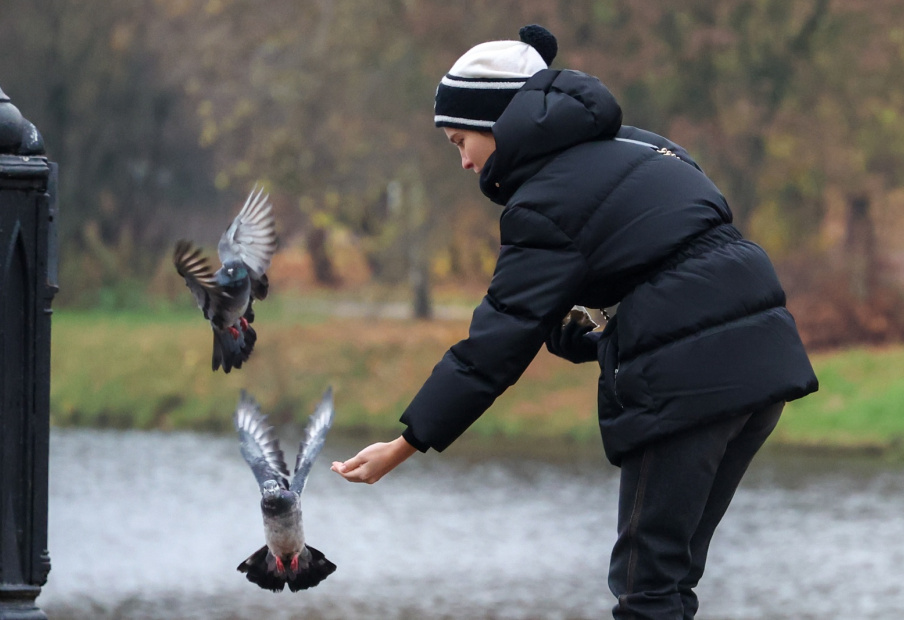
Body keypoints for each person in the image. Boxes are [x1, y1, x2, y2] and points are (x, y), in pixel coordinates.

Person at [331, 24, 818, 620]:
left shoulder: (544, 203)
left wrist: (404, 445)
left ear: (498, 124)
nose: (462, 162)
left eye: (462, 141)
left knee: (645, 584)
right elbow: (678, 263)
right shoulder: (647, 146)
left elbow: (493, 347)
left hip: (686, 385)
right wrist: (592, 332)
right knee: (672, 573)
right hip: (762, 368)